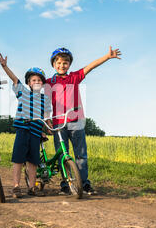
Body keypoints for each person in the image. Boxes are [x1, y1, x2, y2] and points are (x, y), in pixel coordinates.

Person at [45, 46, 122, 195]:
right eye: (59, 63)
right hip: (58, 123)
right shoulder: (49, 82)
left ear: (69, 65)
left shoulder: (74, 77)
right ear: (54, 64)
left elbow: (90, 67)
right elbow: (47, 103)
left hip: (76, 121)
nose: (62, 66)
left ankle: (84, 184)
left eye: (65, 63)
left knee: (81, 155)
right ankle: (66, 184)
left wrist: (107, 57)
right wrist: (48, 120)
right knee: (62, 154)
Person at [0, 53, 52, 198]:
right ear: (29, 83)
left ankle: (32, 188)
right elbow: (14, 79)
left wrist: (47, 128)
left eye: (39, 80)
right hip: (23, 130)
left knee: (33, 162)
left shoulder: (45, 99)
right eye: (33, 80)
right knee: (18, 159)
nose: (36, 82)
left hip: (35, 133)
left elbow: (46, 117)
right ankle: (16, 186)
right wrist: (4, 66)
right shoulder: (23, 92)